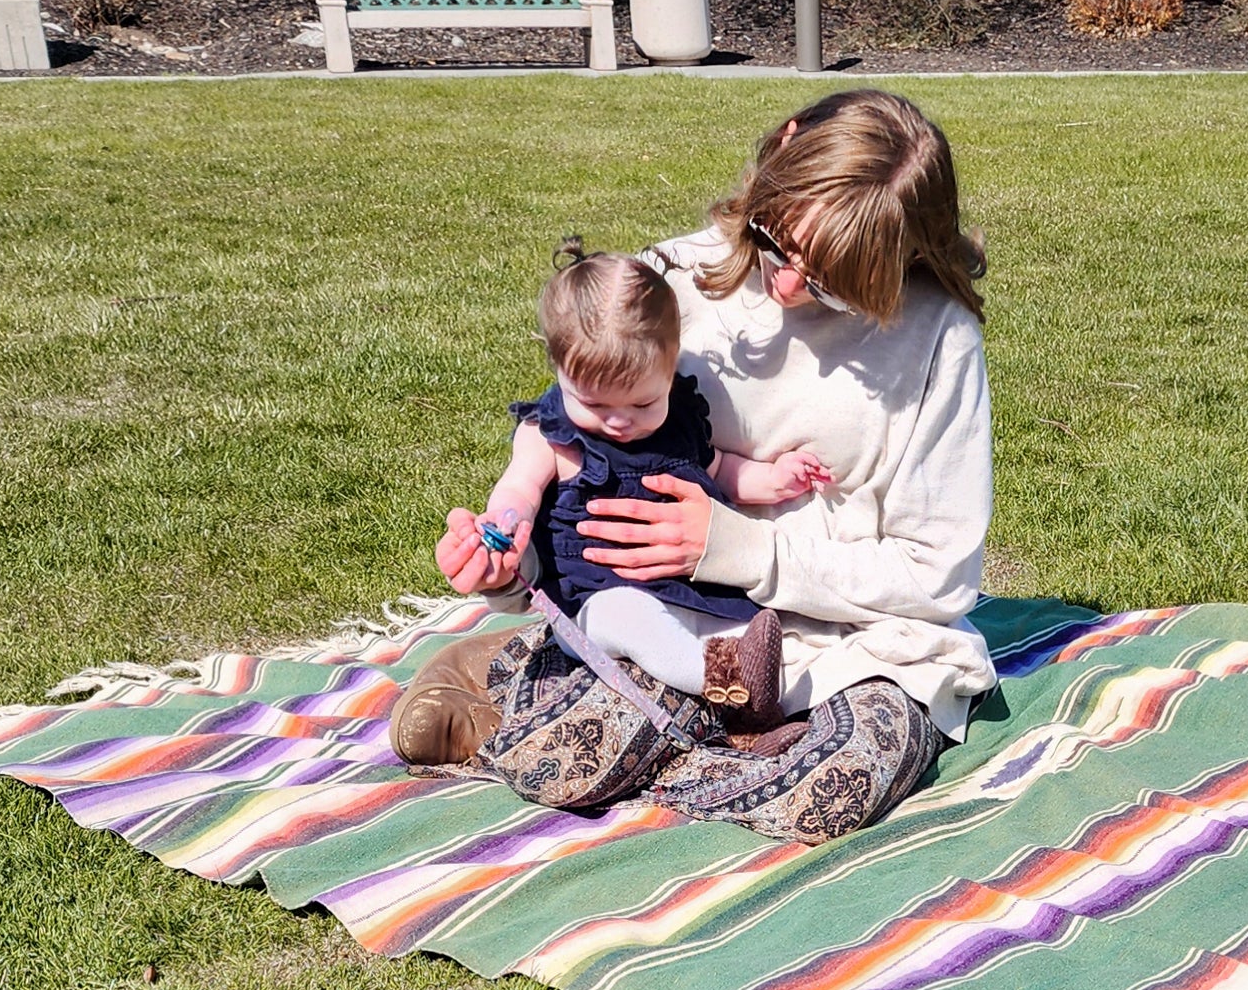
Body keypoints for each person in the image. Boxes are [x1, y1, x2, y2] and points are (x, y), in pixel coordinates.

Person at [392, 88, 996, 845]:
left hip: (855, 640)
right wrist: (512, 568)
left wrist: (736, 546)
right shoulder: (666, 283)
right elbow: (576, 469)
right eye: (780, 247)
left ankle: (536, 691)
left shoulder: (940, 340)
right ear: (781, 149)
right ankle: (544, 670)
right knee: (568, 762)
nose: (786, 287)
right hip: (672, 620)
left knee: (833, 790)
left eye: (833, 284)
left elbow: (938, 578)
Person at [449, 245, 830, 730]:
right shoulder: (550, 437)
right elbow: (518, 491)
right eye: (593, 404)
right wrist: (504, 525)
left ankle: (746, 715)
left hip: (694, 592)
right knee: (628, 617)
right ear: (559, 372)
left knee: (751, 626)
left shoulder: (680, 421)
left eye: (644, 403)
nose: (619, 422)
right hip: (596, 604)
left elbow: (720, 472)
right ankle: (726, 682)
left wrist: (776, 477)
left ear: (671, 371)